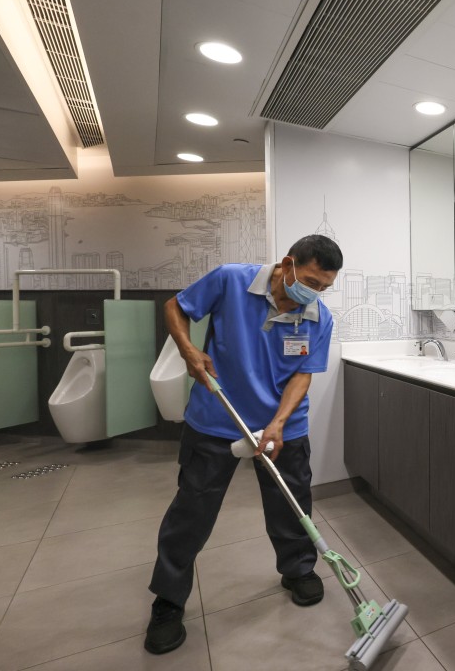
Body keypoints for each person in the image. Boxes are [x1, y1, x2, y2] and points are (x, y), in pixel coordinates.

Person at [144, 235, 341, 655]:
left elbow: (303, 375)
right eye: (309, 281)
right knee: (191, 510)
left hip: (283, 426)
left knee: (292, 503)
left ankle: (298, 570)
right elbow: (175, 306)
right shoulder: (231, 280)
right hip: (217, 419)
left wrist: (279, 423)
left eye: (324, 287)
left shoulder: (318, 318)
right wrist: (187, 350)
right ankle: (169, 599)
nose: (314, 292)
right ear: (288, 264)